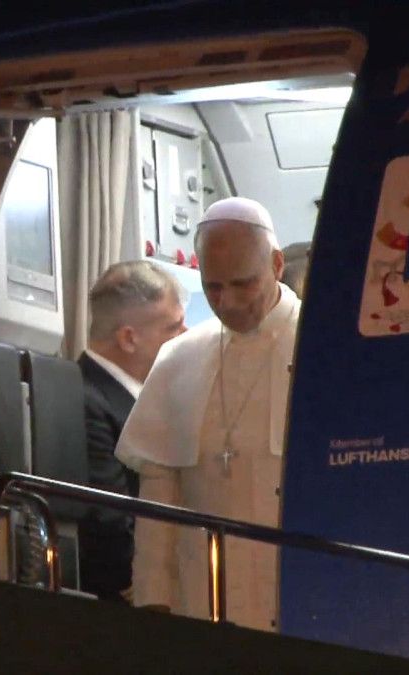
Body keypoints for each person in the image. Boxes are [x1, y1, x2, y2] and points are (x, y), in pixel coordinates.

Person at [115, 196, 301, 630]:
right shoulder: (179, 358)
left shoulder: (322, 349)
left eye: (243, 284)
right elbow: (159, 493)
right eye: (213, 287)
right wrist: (152, 601)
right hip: (202, 602)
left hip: (299, 599)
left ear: (276, 265)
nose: (228, 302)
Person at [78, 260, 186, 602]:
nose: (186, 336)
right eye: (173, 327)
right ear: (128, 338)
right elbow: (109, 522)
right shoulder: (85, 400)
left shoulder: (138, 399)